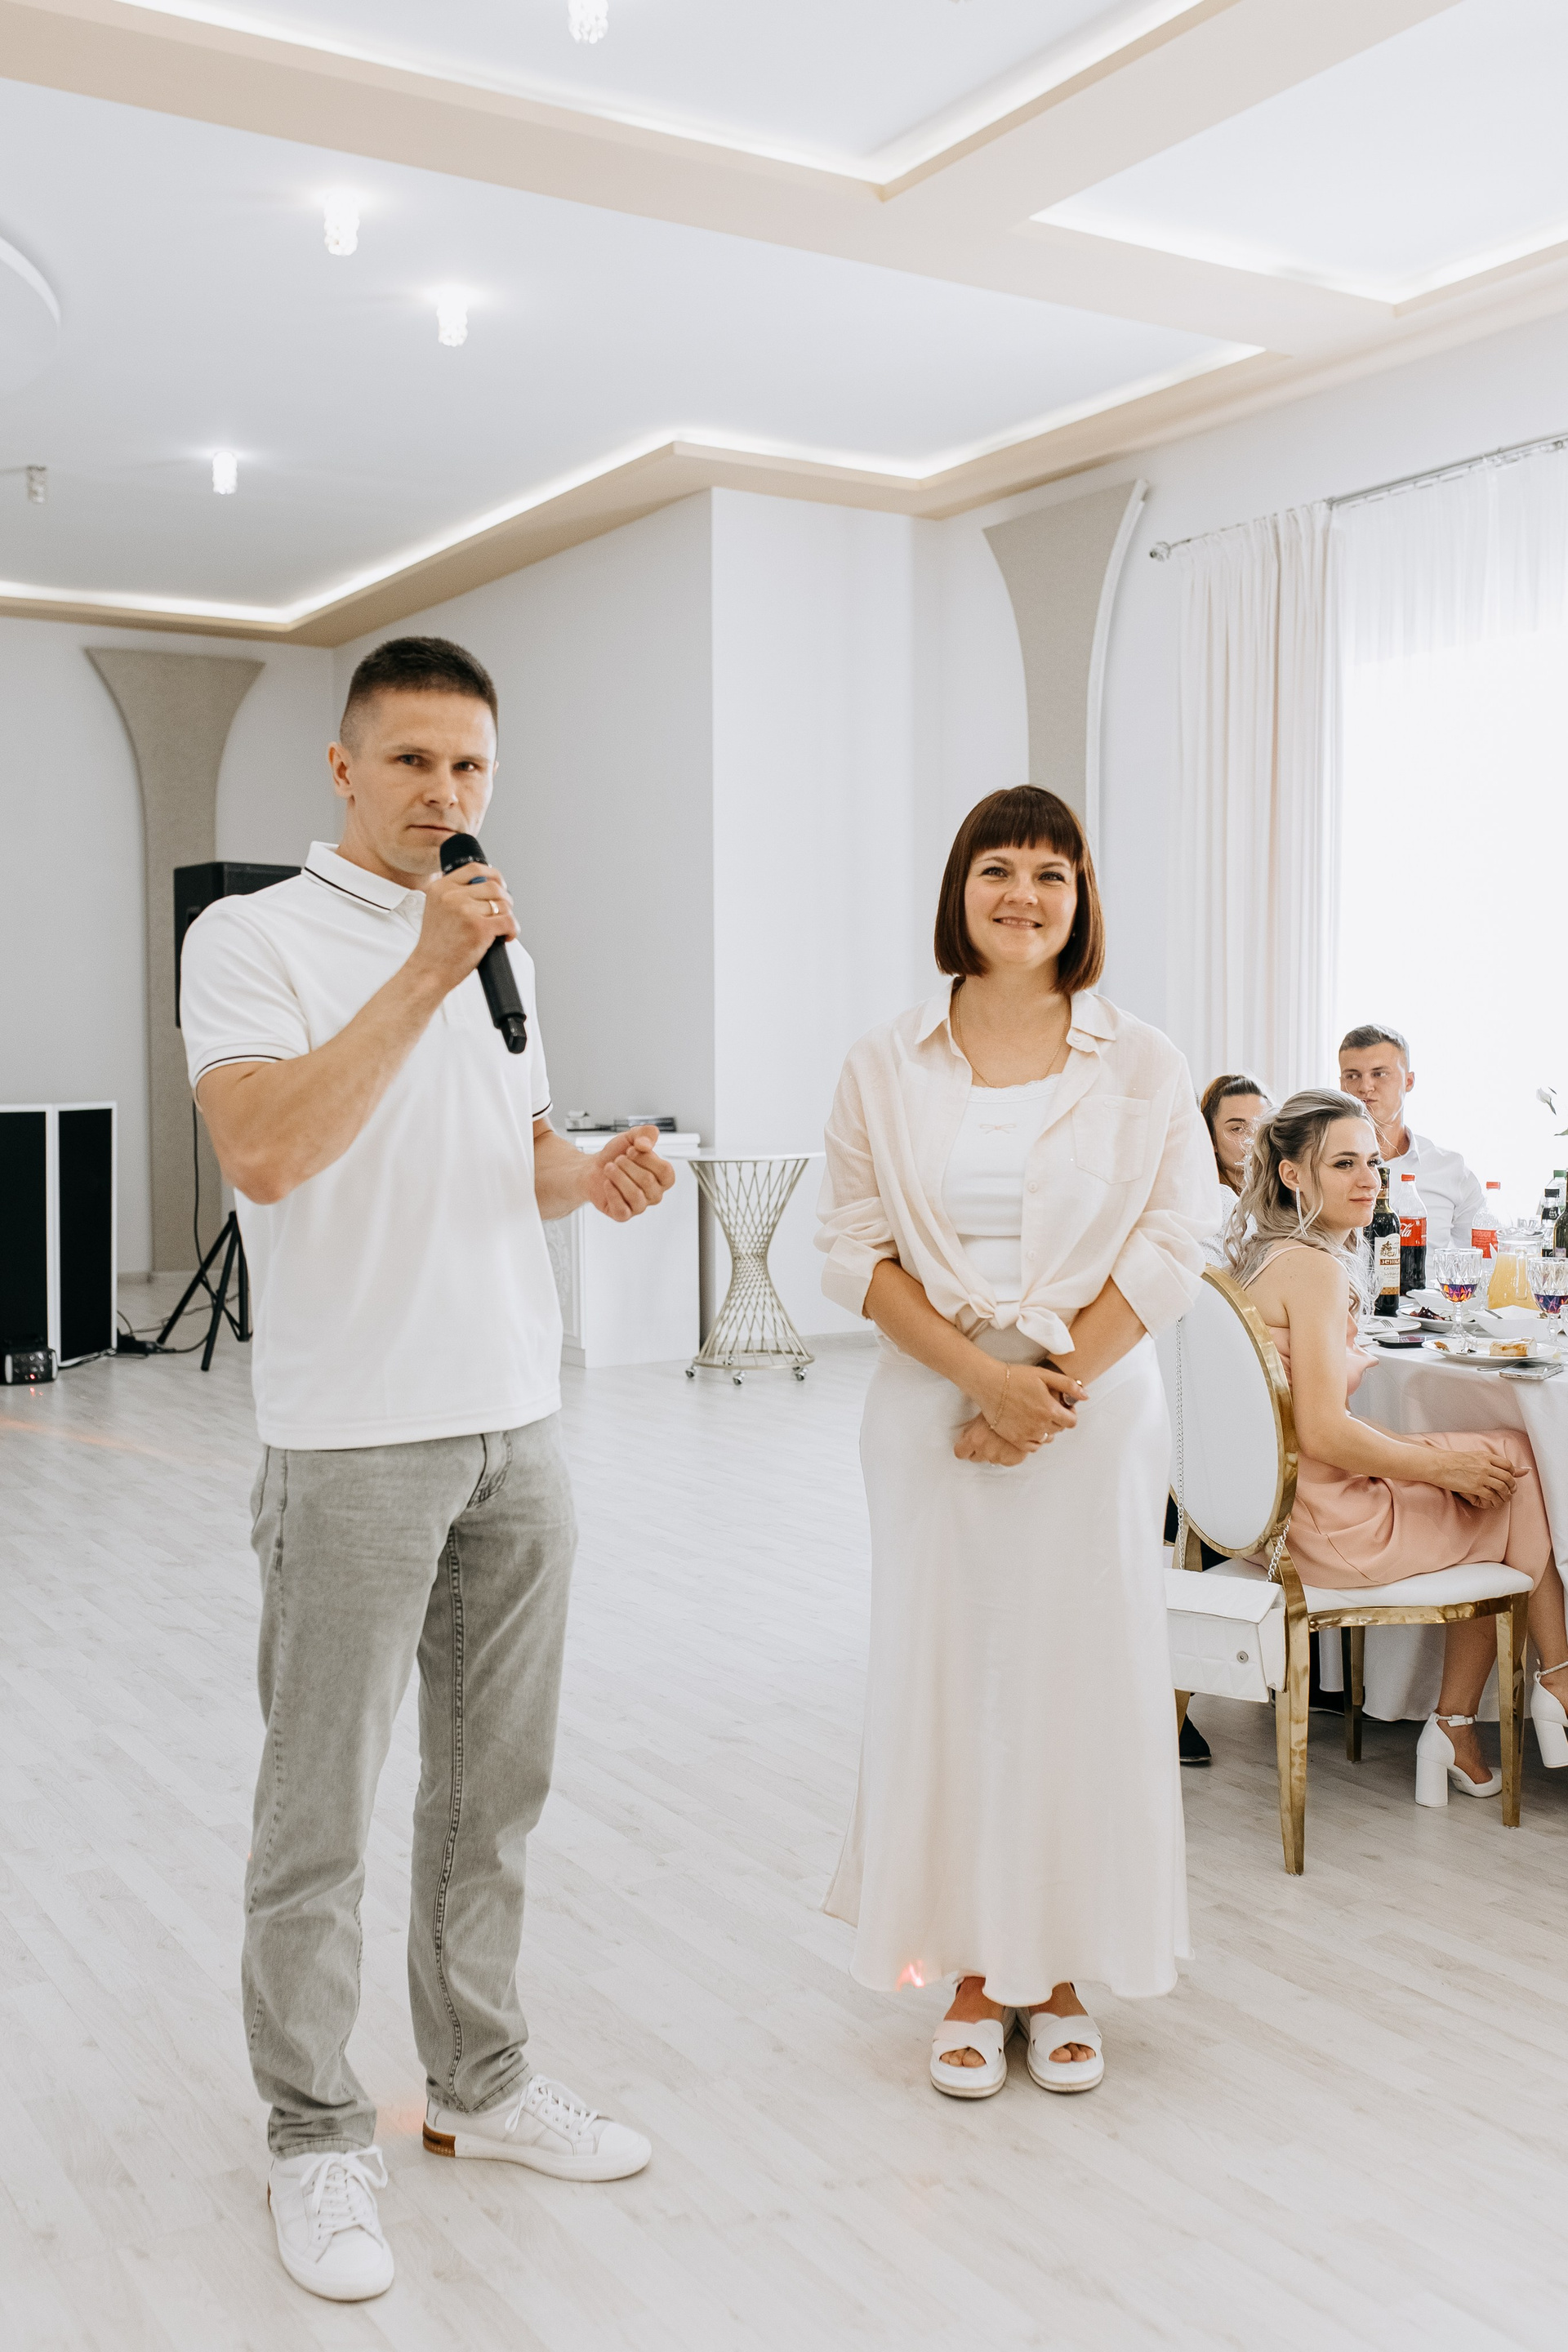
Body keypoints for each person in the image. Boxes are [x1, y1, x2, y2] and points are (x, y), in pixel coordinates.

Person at [180, 636, 672, 2303]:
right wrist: (420, 967)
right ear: (342, 768)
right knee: (319, 1809)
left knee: (492, 1794)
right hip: (349, 1441)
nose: (443, 794)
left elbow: (503, 1152)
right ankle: (316, 2132)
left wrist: (585, 1175)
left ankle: (478, 2080)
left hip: (514, 1425)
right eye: (410, 762)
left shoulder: (500, 948)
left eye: (468, 767)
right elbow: (269, 1149)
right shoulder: (251, 940)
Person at [817, 786, 1214, 2100]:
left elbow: (1174, 1241)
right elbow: (851, 1250)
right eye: (998, 868)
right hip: (932, 1407)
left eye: (1052, 872)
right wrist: (985, 1382)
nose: (1024, 895)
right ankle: (974, 1973)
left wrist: (1047, 1388)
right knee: (951, 1678)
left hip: (1091, 1415)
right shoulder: (886, 1060)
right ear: (960, 890)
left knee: (1084, 1681)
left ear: (1082, 896)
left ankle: (1067, 1968)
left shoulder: (1143, 1060)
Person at [1227, 1089, 1568, 1802]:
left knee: (1500, 1458)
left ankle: (1477, 1719)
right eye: (1344, 1164)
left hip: (1274, 1518)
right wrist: (1441, 1465)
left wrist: (1441, 1461)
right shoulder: (1313, 1269)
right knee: (1512, 1473)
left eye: (1373, 1163)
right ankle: (1542, 1689)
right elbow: (1324, 1431)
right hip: (1326, 1528)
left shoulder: (1266, 1256)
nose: (1368, 1181)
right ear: (1292, 1174)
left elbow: (1311, 1423)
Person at [1337, 1024, 1485, 1249]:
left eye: (1379, 1073)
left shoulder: (1451, 1169)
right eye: (1353, 1075)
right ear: (1341, 1084)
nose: (1365, 1087)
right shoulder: (1320, 1168)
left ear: (1409, 1081)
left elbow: (1486, 1256)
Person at [1200, 1071, 1272, 1231]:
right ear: (1211, 1139)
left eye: (1261, 1126)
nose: (1253, 1138)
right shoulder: (1211, 1206)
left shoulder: (1291, 1200)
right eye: (1237, 1129)